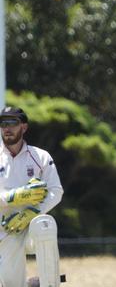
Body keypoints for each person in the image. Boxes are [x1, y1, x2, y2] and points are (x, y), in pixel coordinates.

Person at [0, 107, 64, 287]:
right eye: (3, 123)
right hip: (6, 231)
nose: (7, 128)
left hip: (31, 227)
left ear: (24, 127)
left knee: (46, 225)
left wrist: (33, 212)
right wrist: (11, 197)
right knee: (12, 284)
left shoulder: (40, 157)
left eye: (12, 123)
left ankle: (50, 284)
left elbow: (56, 190)